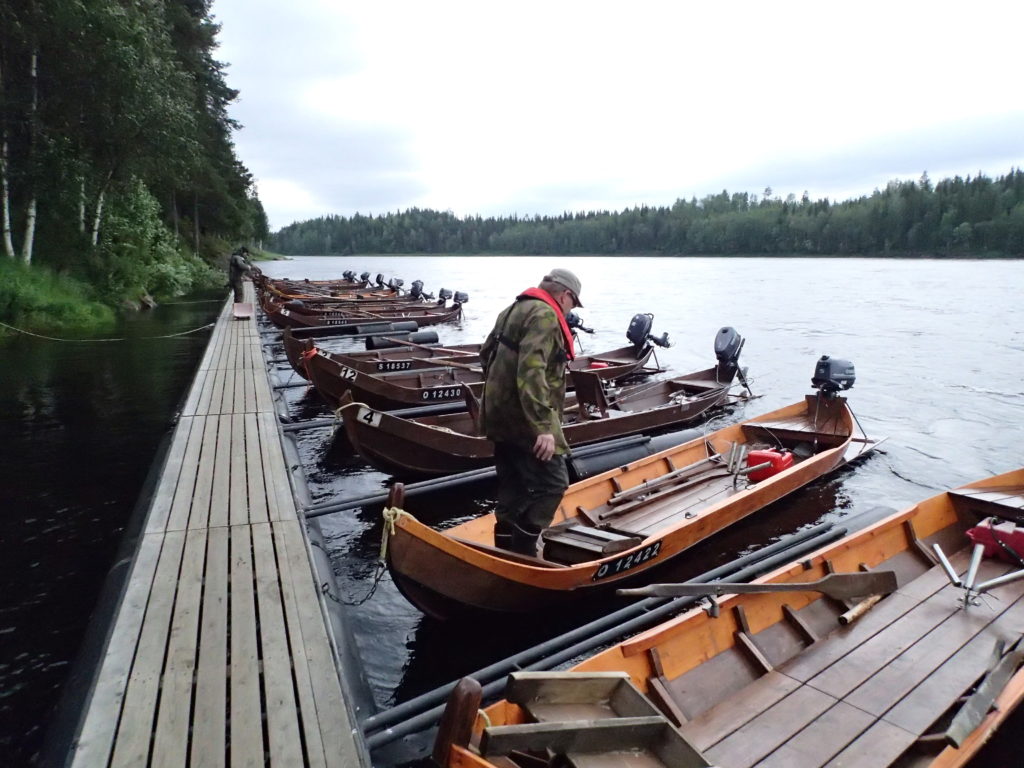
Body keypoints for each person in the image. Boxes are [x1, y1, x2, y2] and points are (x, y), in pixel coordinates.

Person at [479, 268, 583, 555]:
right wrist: (542, 427)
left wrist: (500, 399)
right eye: (573, 303)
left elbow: (485, 354)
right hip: (527, 420)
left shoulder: (511, 309)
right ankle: (525, 549)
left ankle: (503, 550)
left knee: (513, 486)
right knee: (554, 484)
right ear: (565, 296)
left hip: (498, 417)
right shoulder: (545, 315)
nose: (570, 309)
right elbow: (531, 372)